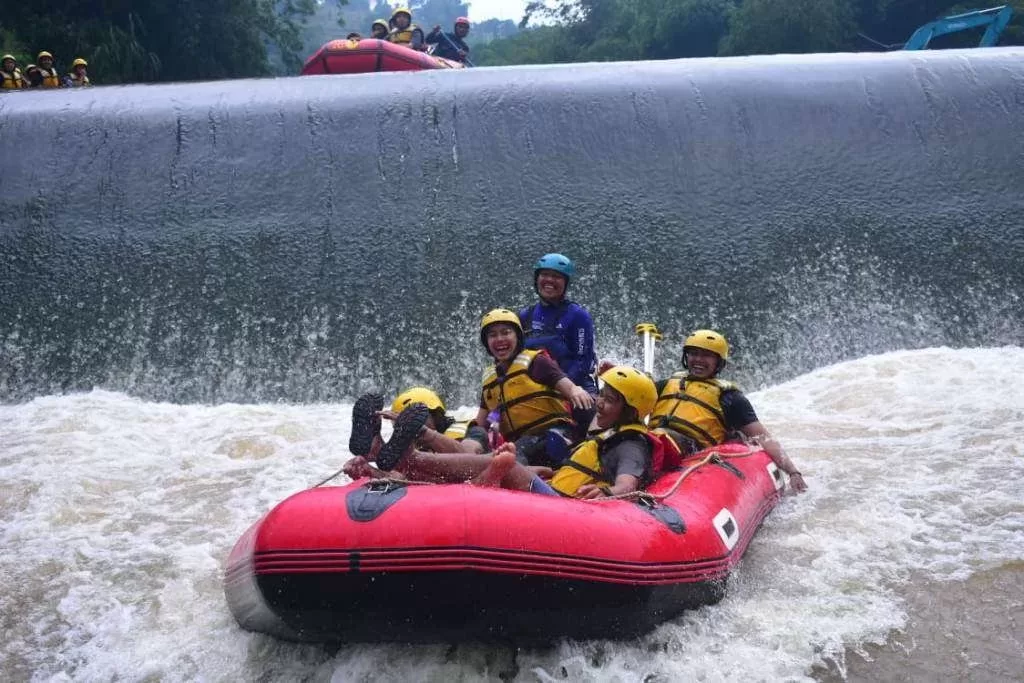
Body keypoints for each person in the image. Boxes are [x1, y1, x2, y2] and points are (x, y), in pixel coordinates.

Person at [348, 365, 659, 500]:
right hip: (557, 493)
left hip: (566, 508)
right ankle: (382, 460)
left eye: (610, 400)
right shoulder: (609, 437)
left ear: (631, 410)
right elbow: (584, 472)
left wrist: (608, 493)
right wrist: (548, 473)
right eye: (602, 395)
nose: (600, 403)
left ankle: (407, 458)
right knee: (493, 464)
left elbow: (627, 484)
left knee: (500, 462)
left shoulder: (631, 444)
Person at [649, 329, 808, 493]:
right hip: (656, 440)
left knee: (658, 438)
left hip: (690, 450)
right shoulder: (666, 385)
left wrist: (793, 472)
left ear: (719, 362)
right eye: (694, 354)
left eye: (706, 355)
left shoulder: (730, 398)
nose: (698, 360)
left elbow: (763, 437)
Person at [475, 308, 594, 467]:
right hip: (520, 443)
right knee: (490, 443)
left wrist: (577, 391)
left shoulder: (536, 362)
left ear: (518, 336)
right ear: (487, 343)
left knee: (517, 451)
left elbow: (570, 388)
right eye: (493, 335)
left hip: (555, 435)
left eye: (506, 332)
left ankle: (517, 476)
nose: (500, 339)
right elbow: (482, 422)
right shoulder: (490, 379)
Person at [519, 253, 598, 439]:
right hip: (536, 391)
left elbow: (582, 362)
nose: (549, 281)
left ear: (566, 283)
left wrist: (560, 389)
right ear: (536, 279)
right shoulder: (525, 316)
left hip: (575, 388)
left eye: (557, 277)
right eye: (545, 275)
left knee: (588, 414)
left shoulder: (577, 316)